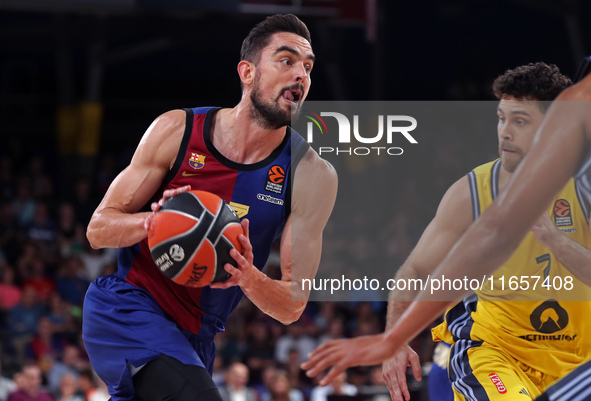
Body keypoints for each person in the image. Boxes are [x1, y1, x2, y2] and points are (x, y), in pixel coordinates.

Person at [82, 13, 337, 401]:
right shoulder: (177, 130)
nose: (300, 74)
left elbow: (292, 306)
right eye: (287, 61)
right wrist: (156, 221)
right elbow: (98, 229)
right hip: (127, 307)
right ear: (247, 72)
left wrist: (248, 276)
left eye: (307, 67)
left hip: (197, 339)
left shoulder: (311, 175)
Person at [302, 63, 591, 397]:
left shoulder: (581, 188)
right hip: (495, 355)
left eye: (520, 121)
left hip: (576, 363)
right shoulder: (471, 192)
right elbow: (415, 269)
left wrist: (554, 240)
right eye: (501, 118)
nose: (505, 132)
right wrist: (395, 341)